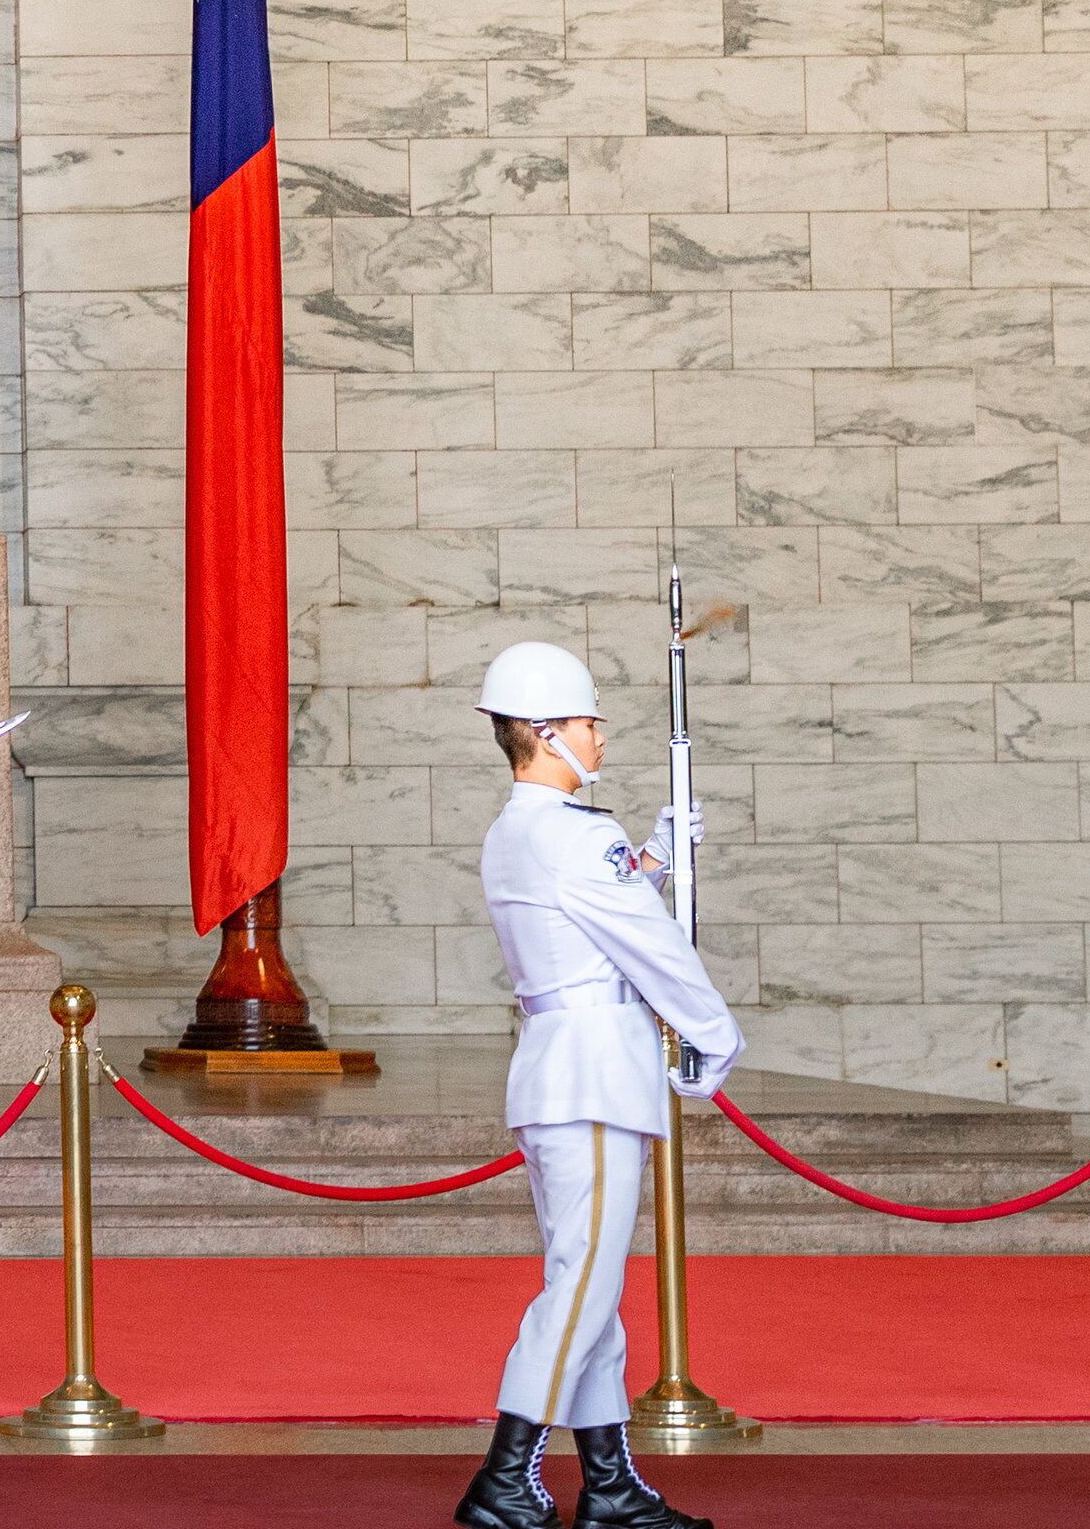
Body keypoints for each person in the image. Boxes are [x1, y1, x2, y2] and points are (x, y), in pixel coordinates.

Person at [461, 641, 745, 1529]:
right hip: (592, 1077)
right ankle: (504, 1479)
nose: (601, 735)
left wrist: (652, 863)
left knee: (589, 1285)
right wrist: (714, 1030)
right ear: (545, 734)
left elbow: (587, 918)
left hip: (559, 1067)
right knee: (581, 1286)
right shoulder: (580, 836)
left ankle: (610, 1482)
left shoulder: (522, 832)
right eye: (588, 722)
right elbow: (647, 946)